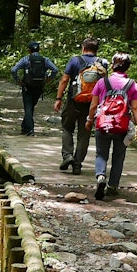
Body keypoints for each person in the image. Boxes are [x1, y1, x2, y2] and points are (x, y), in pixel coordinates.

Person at [85, 52, 137, 200]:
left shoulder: (102, 82)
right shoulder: (133, 85)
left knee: (101, 153)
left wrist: (89, 120)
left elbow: (93, 105)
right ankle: (112, 186)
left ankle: (100, 177)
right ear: (128, 67)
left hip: (103, 123)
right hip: (122, 126)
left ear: (112, 65)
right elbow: (135, 109)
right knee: (118, 156)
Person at [53, 37, 104, 175]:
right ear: (96, 50)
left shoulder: (75, 60)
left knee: (67, 129)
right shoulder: (102, 63)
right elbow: (105, 85)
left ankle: (67, 155)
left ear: (83, 48)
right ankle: (77, 165)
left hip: (73, 101)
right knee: (84, 135)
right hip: (91, 104)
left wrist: (58, 98)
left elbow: (64, 80)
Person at [10, 40, 59, 135]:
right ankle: (25, 127)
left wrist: (19, 81)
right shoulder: (44, 60)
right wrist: (47, 80)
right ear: (39, 50)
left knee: (28, 107)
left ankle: (30, 129)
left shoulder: (25, 59)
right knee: (31, 107)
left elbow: (13, 70)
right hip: (39, 87)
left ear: (29, 50)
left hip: (27, 87)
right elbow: (55, 70)